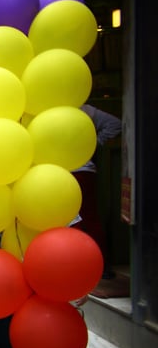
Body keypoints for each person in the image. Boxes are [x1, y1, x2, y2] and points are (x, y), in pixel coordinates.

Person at [72, 103, 122, 279]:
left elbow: (115, 124)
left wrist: (93, 145)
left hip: (73, 172)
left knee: (75, 221)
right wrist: (93, 144)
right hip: (82, 170)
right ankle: (99, 266)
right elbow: (114, 124)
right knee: (88, 219)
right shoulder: (85, 109)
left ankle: (83, 267)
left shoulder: (83, 109)